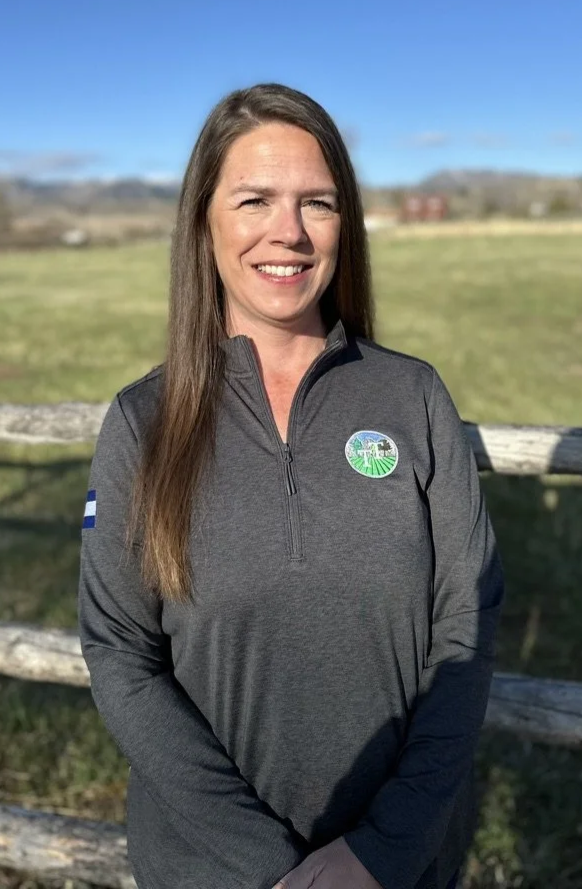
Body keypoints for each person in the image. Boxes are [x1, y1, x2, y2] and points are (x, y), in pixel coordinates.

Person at [77, 83, 504, 889]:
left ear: (347, 225)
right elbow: (120, 653)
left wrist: (383, 849)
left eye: (319, 202)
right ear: (204, 222)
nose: (290, 232)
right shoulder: (143, 422)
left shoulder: (411, 397)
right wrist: (268, 868)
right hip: (214, 873)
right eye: (254, 200)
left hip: (401, 867)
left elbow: (465, 622)